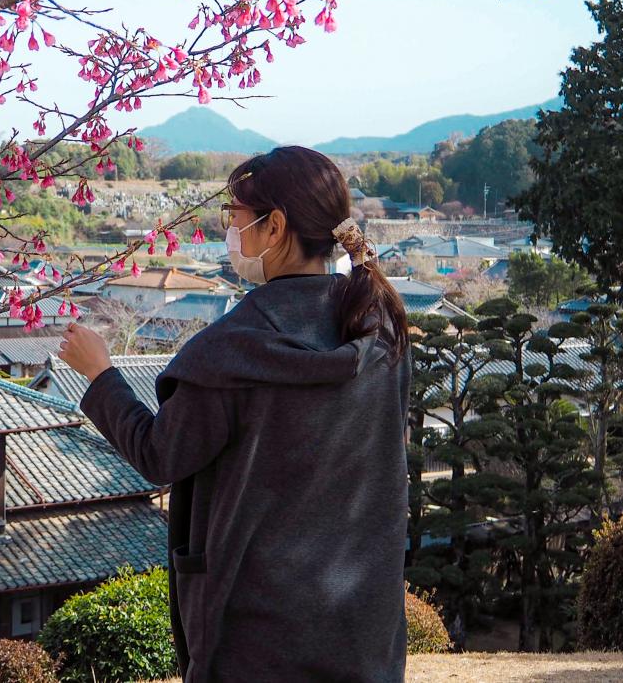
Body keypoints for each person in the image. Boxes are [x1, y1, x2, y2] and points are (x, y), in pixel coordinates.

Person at [58, 146, 412, 683]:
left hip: (252, 631)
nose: (232, 233)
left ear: (275, 228)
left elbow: (160, 454)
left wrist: (101, 376)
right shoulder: (380, 330)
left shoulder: (231, 350)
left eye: (236, 218)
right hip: (363, 624)